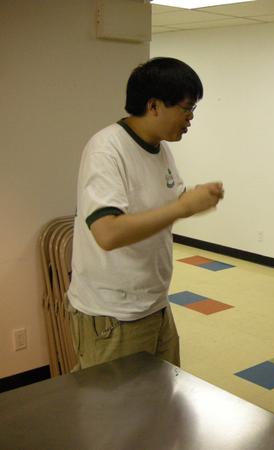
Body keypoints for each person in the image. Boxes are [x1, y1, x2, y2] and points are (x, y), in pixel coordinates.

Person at [67, 57, 224, 370]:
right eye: (187, 108)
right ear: (153, 105)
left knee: (165, 396)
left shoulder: (160, 148)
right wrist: (183, 206)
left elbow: (168, 200)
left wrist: (194, 196)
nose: (191, 117)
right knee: (119, 404)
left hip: (155, 305)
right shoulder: (106, 149)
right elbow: (108, 232)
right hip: (113, 316)